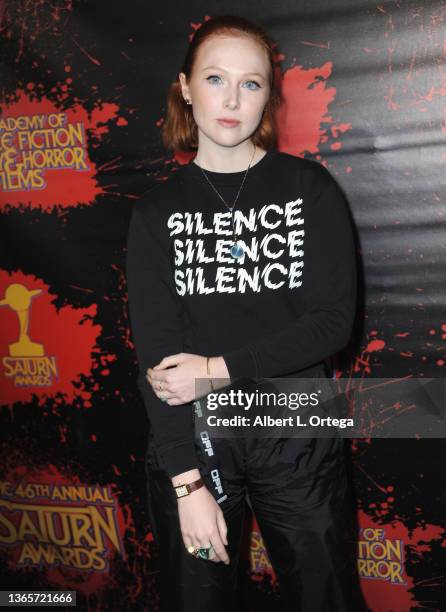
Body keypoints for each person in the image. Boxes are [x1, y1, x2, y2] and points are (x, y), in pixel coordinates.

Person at [126, 14, 359, 612]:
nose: (231, 99)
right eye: (214, 78)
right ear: (185, 87)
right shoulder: (155, 213)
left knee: (324, 597)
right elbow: (158, 358)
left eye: (250, 84)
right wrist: (187, 483)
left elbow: (334, 322)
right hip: (198, 439)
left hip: (298, 426)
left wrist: (219, 367)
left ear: (268, 97)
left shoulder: (312, 189)